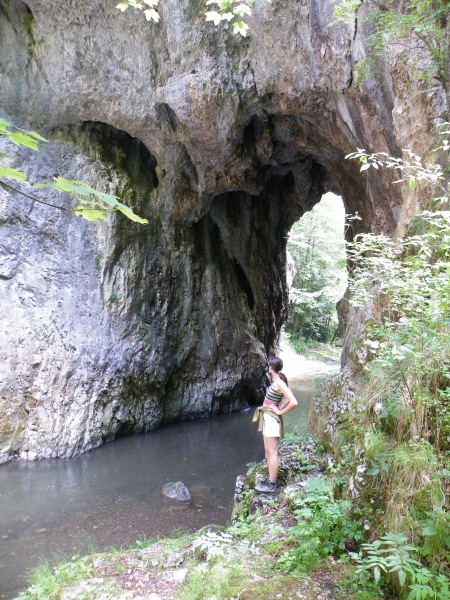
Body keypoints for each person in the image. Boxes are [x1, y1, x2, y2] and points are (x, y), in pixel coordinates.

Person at [253, 356, 298, 493]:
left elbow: (293, 401)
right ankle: (270, 479)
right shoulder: (277, 381)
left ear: (271, 368)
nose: (268, 367)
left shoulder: (280, 383)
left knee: (272, 453)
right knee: (268, 451)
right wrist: (278, 408)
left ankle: (271, 485)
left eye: (269, 366)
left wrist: (279, 411)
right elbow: (287, 397)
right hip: (268, 418)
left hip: (272, 420)